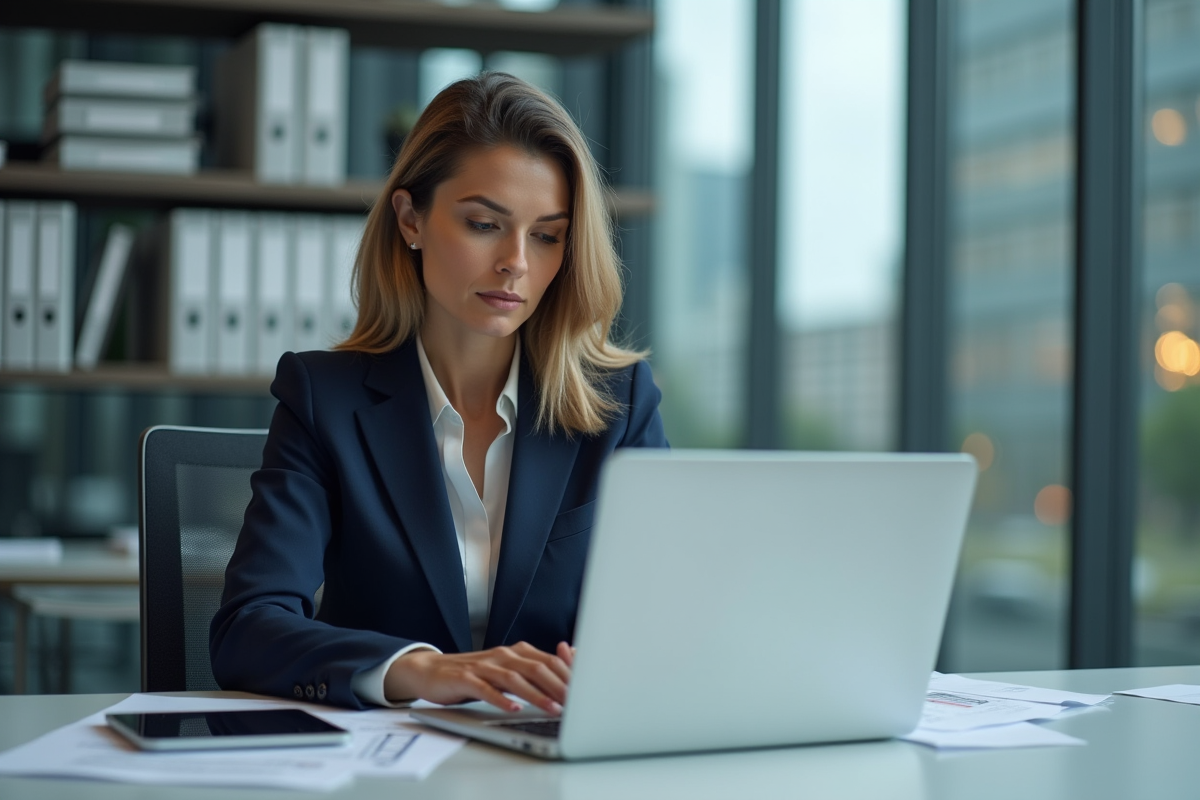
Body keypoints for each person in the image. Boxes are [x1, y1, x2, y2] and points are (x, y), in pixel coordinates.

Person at [209, 73, 668, 715]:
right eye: (485, 223)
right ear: (410, 219)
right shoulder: (324, 401)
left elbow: (670, 619)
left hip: (553, 760)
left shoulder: (619, 407)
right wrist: (421, 671)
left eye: (547, 235)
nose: (516, 262)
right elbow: (247, 629)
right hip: (386, 769)